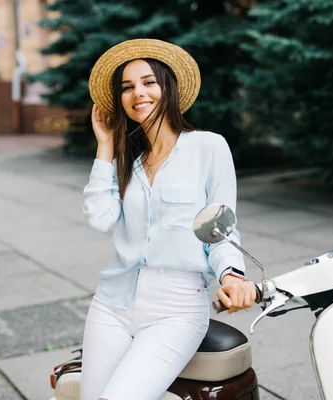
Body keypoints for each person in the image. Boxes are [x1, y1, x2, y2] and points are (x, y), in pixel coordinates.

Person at [81, 38, 257, 400]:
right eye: (127, 87)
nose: (138, 94)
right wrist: (104, 146)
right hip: (111, 303)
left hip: (175, 309)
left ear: (168, 88)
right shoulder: (127, 158)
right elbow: (100, 219)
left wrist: (231, 274)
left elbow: (221, 228)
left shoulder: (208, 147)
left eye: (148, 82)